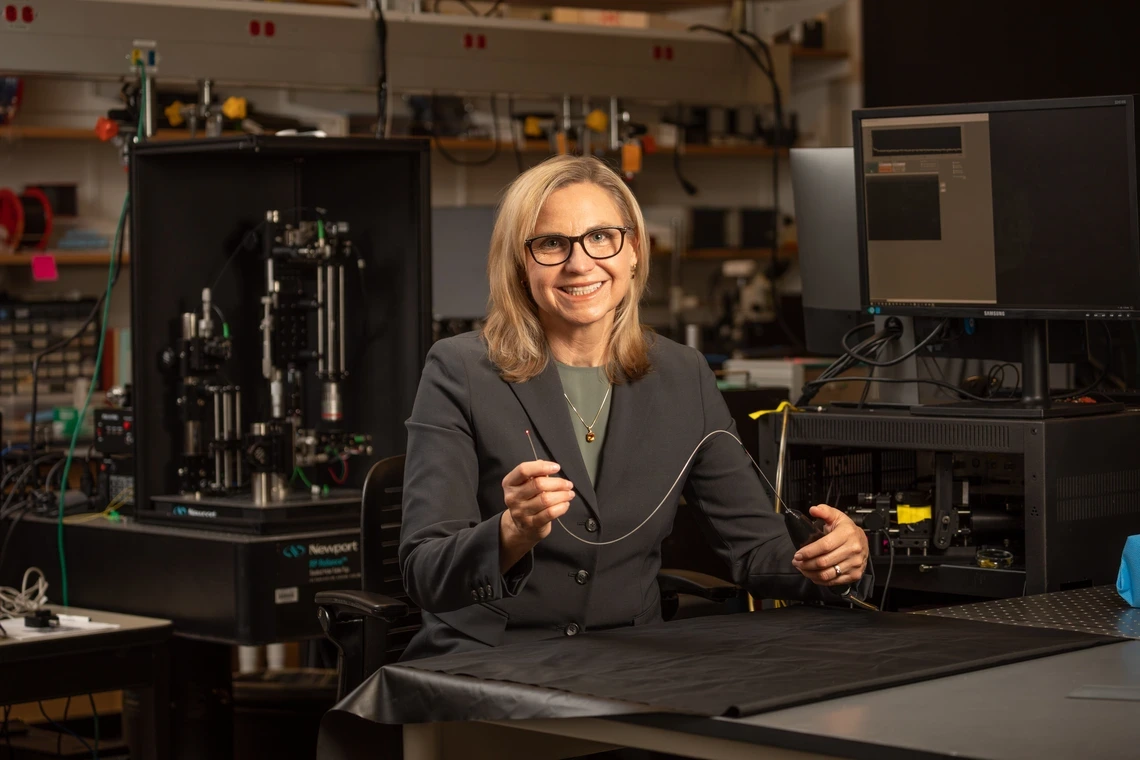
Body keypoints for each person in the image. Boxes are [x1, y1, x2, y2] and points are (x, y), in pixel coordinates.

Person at [398, 154, 870, 661]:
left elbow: (757, 549)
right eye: (552, 243)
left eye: (601, 237)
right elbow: (424, 572)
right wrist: (511, 533)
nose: (580, 263)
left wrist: (832, 562)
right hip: (495, 658)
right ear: (520, 262)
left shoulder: (682, 374)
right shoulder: (460, 370)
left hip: (632, 661)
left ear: (634, 251)